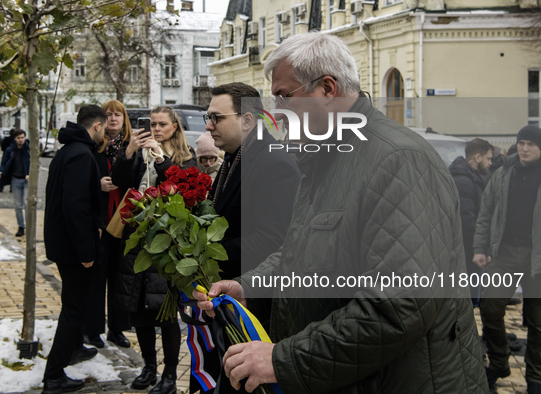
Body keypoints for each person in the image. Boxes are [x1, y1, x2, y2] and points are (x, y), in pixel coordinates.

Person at [194, 32, 487, 393]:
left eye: (284, 96)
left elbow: (400, 305)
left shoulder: (398, 161)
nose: (275, 111)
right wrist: (249, 285)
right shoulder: (324, 157)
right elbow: (304, 252)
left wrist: (283, 359)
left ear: (328, 89)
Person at [195, 82, 300, 392]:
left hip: (255, 311)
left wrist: (205, 255)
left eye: (217, 117)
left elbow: (273, 241)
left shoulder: (273, 164)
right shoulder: (235, 157)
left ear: (247, 121)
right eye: (207, 117)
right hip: (231, 299)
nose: (209, 125)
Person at [111, 106, 196, 394]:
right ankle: (149, 367)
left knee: (165, 311)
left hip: (167, 243)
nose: (156, 129)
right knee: (139, 310)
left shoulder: (184, 157)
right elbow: (120, 181)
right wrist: (129, 151)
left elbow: (181, 190)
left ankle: (170, 375)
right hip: (137, 240)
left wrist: (161, 160)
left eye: (162, 124)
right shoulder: (139, 154)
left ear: (175, 127)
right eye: (153, 124)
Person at [42, 105, 107, 394]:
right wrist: (86, 253)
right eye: (103, 128)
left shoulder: (67, 150)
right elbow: (76, 207)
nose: (104, 133)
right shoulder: (81, 155)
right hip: (73, 248)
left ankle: (74, 349)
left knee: (74, 303)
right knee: (73, 307)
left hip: (61, 242)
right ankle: (54, 375)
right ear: (96, 126)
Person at [473, 125, 541, 394]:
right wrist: (480, 248)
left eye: (531, 144)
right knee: (490, 308)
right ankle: (499, 363)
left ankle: (535, 378)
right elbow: (485, 214)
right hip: (503, 254)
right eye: (521, 143)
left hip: (537, 258)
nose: (524, 149)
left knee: (537, 322)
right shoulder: (502, 175)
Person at [82, 100, 132, 350]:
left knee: (119, 277)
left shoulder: (130, 147)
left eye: (118, 114)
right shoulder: (93, 148)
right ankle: (91, 330)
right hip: (101, 221)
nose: (113, 119)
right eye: (109, 114)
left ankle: (117, 328)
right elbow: (81, 182)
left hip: (123, 222)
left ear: (125, 119)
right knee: (96, 278)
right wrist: (96, 185)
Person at [449, 138, 493, 307]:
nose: (490, 163)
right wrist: (477, 249)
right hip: (468, 252)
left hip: (469, 250)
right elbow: (467, 221)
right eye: (488, 158)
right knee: (468, 301)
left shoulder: (470, 178)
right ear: (477, 157)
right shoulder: (464, 181)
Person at [0, 128, 30, 236]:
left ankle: (30, 227)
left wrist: (30, 174)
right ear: (15, 139)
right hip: (15, 180)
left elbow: (35, 163)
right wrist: (1, 171)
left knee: (26, 203)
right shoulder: (11, 150)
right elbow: (4, 161)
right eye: (18, 138)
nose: (21, 140)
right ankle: (21, 226)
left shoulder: (29, 149)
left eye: (22, 137)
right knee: (18, 205)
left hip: (27, 181)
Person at [0, 128, 15, 192]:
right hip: (12, 157)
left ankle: (1, 186)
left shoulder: (6, 139)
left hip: (6, 156)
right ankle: (11, 187)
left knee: (3, 171)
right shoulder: (14, 141)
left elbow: (2, 147)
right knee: (12, 173)